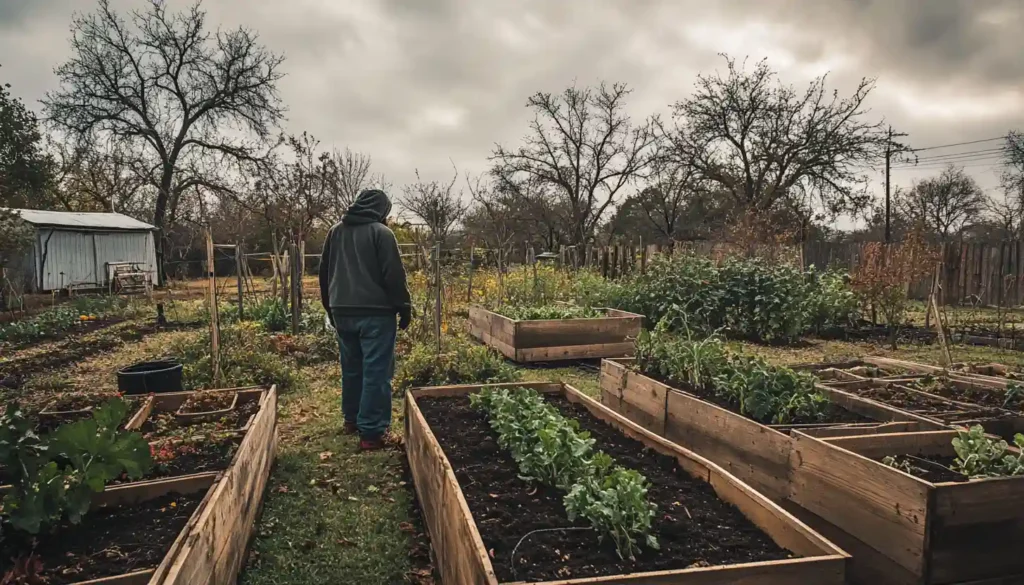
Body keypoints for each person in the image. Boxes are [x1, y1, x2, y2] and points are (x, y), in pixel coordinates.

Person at [319, 189, 411, 451]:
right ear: (381, 210)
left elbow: (324, 272)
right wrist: (404, 307)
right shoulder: (381, 234)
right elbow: (393, 275)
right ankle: (372, 432)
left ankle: (352, 419)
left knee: (352, 368)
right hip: (375, 313)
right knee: (377, 372)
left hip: (342, 311)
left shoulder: (335, 231)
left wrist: (330, 308)